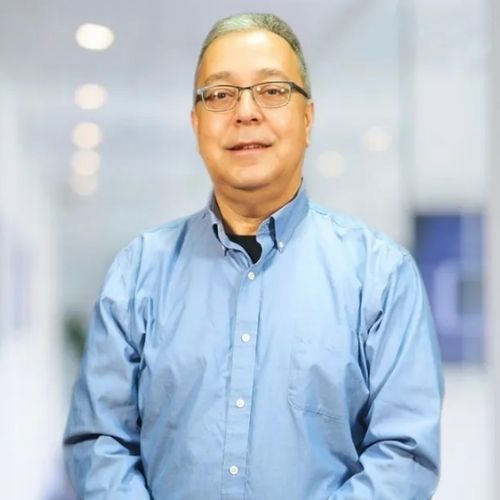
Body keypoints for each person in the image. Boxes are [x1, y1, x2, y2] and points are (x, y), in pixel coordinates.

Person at [64, 12, 444, 500]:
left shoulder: (381, 277)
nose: (245, 112)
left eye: (272, 90)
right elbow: (100, 442)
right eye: (220, 95)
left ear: (307, 119)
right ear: (196, 121)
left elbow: (403, 453)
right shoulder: (138, 273)